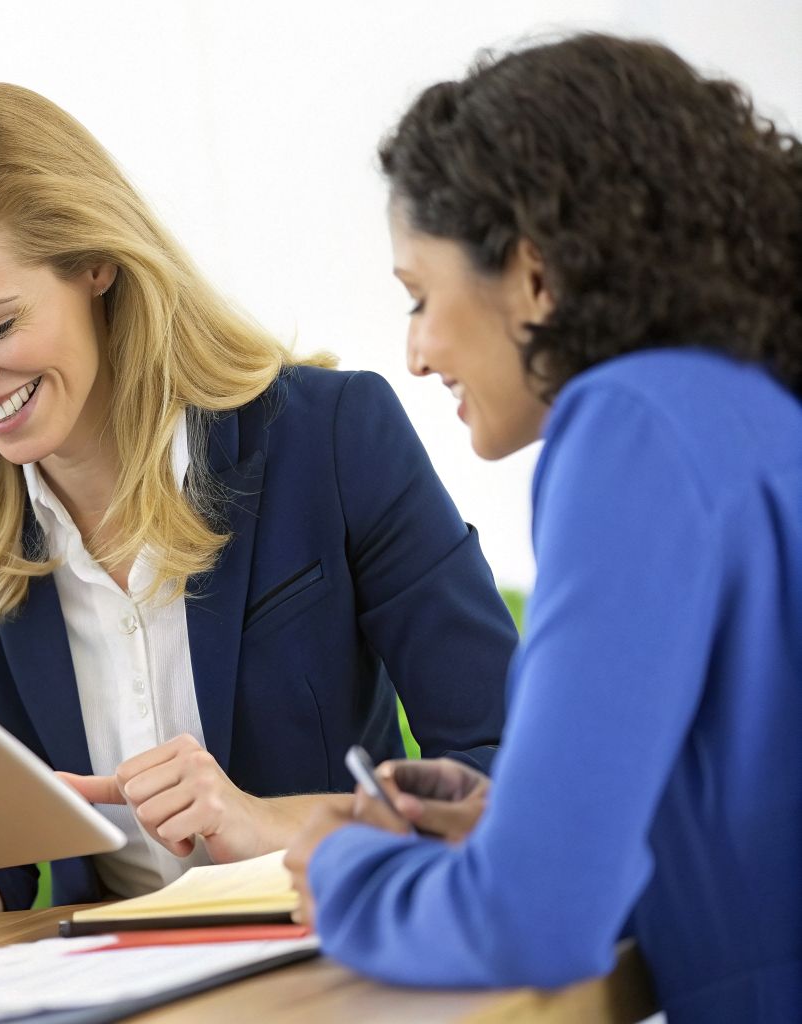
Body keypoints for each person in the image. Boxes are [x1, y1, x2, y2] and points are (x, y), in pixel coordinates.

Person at [0, 81, 516, 933]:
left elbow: (500, 767)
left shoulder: (332, 438)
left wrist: (264, 821)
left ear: (95, 265)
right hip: (93, 984)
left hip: (329, 957)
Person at [283, 34, 802, 1021]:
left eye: (418, 298)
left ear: (531, 275)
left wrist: (341, 866)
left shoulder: (629, 427)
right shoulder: (745, 406)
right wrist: (515, 824)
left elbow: (528, 918)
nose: (415, 353)